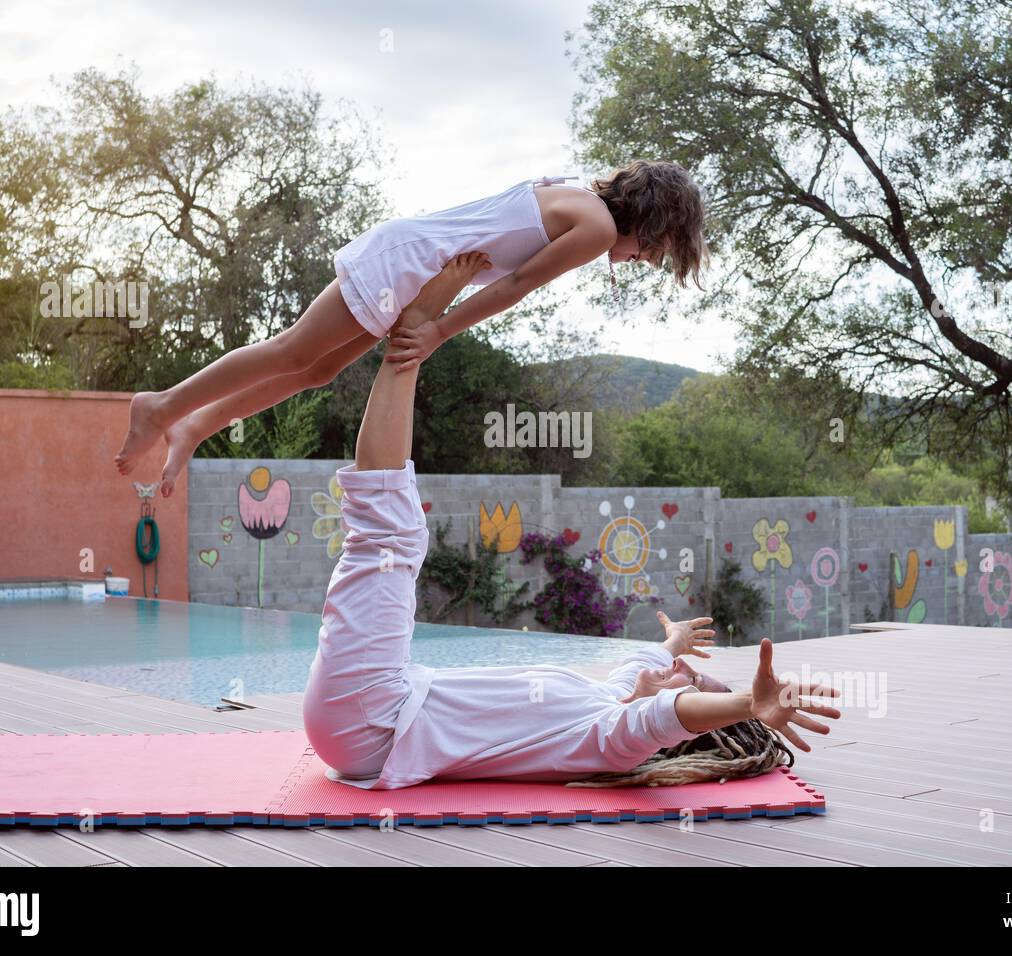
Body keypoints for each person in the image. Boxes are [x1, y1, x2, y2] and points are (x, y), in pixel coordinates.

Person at [301, 260, 840, 790]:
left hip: (374, 722)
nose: (686, 678)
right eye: (695, 677)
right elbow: (639, 668)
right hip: (372, 716)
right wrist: (673, 644)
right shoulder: (612, 699)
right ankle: (413, 339)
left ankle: (412, 340)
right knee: (390, 536)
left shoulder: (610, 736)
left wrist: (748, 702)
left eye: (695, 688)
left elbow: (663, 716)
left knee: (391, 536)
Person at [113, 161, 709, 497]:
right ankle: (161, 405)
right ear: (654, 221)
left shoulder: (577, 189)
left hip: (412, 260)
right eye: (656, 250)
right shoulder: (599, 227)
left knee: (317, 368)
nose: (646, 261)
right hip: (406, 261)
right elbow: (515, 284)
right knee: (293, 347)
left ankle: (195, 422)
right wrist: (439, 332)